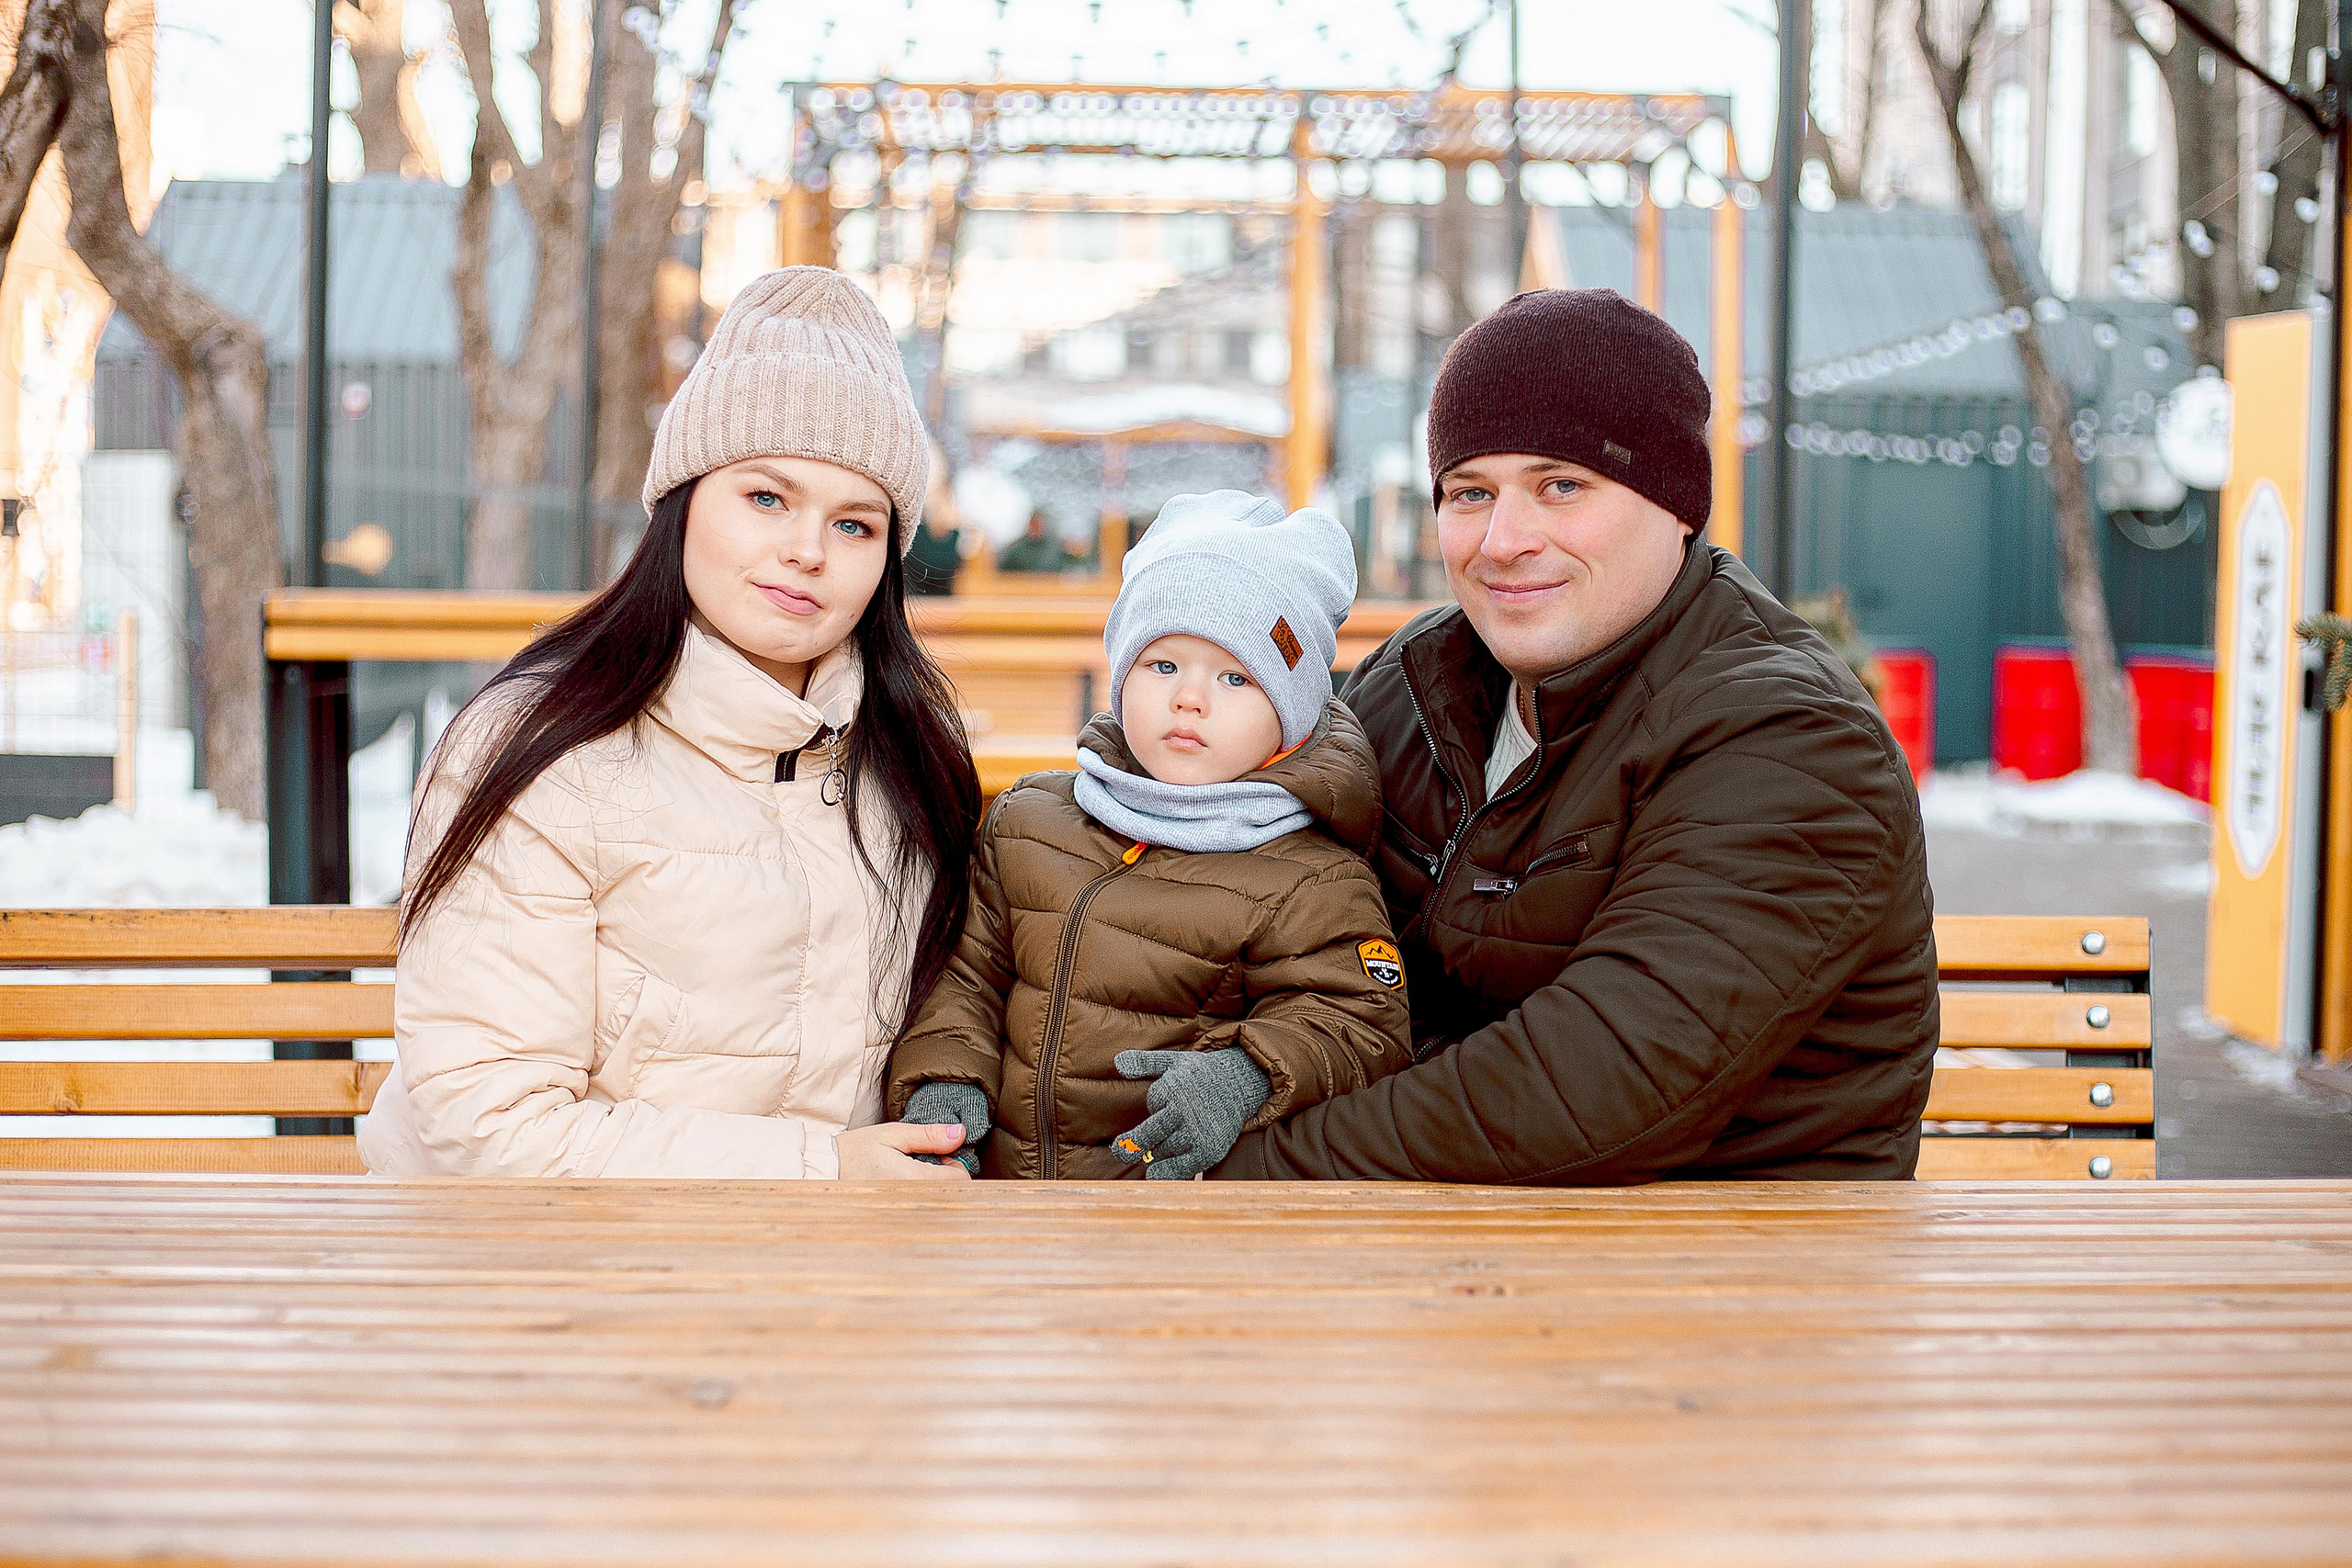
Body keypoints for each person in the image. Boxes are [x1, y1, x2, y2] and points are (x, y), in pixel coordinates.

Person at [1213, 288, 1940, 1184]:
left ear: (1675, 503)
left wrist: (1241, 1171)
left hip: (1728, 1272)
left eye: (1560, 486)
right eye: (1469, 493)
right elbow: (1226, 897)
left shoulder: (1789, 737)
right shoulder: (1420, 683)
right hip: (1451, 1258)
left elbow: (1591, 1091)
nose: (1504, 540)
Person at [358, 267, 979, 1181]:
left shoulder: (910, 759)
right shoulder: (540, 748)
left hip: (814, 1279)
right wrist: (820, 1171)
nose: (807, 551)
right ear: (684, 501)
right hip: (530, 1274)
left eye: (855, 525)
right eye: (766, 498)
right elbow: (489, 1128)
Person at [888, 491, 1410, 1179]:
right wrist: (944, 1079)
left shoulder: (1309, 875)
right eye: (1162, 665)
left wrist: (1245, 1073)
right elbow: (967, 974)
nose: (1189, 697)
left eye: (1235, 676)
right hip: (997, 1205)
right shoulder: (1031, 819)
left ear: (1292, 716)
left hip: (1163, 1213)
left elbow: (1363, 1020)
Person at [997, 509, 1065, 573]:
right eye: (1033, 525)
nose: (1035, 528)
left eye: (1038, 525)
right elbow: (1002, 569)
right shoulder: (1017, 548)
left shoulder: (1055, 547)